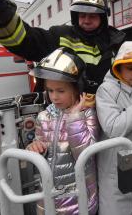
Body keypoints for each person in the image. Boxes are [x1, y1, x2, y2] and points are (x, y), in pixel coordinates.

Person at [26, 48, 99, 214]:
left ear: (76, 89)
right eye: (50, 91)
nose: (54, 97)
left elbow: (86, 155)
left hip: (78, 199)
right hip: (48, 197)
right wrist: (35, 147)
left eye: (61, 91)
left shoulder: (87, 114)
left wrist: (74, 118)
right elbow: (41, 147)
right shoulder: (44, 116)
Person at [95, 41, 132, 215]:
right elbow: (113, 128)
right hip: (115, 167)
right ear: (119, 68)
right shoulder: (106, 90)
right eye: (130, 68)